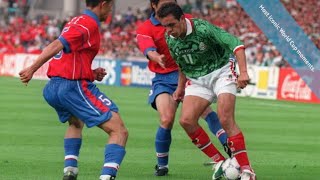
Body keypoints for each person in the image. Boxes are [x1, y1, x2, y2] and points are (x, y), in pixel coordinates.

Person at [19, 1, 128, 180]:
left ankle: (70, 171)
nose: (110, 11)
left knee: (75, 123)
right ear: (103, 4)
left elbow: (71, 57)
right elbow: (57, 44)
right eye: (110, 6)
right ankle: (107, 177)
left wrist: (91, 74)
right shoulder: (87, 23)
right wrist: (32, 68)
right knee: (119, 131)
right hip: (71, 87)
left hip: (54, 86)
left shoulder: (77, 21)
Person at [157, 3, 256, 180]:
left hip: (221, 71)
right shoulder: (170, 38)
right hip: (196, 79)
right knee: (186, 120)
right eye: (165, 26)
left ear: (182, 19)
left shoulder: (202, 28)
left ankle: (247, 170)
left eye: (171, 25)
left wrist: (244, 72)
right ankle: (220, 162)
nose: (169, 30)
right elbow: (182, 64)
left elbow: (236, 44)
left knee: (225, 118)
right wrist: (180, 88)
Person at [136, 0, 231, 176]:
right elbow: (147, 48)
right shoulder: (146, 28)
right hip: (163, 79)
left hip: (190, 73)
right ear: (153, 5)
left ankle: (228, 148)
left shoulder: (185, 19)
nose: (169, 5)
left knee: (205, 113)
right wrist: (156, 57)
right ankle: (162, 164)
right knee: (167, 119)